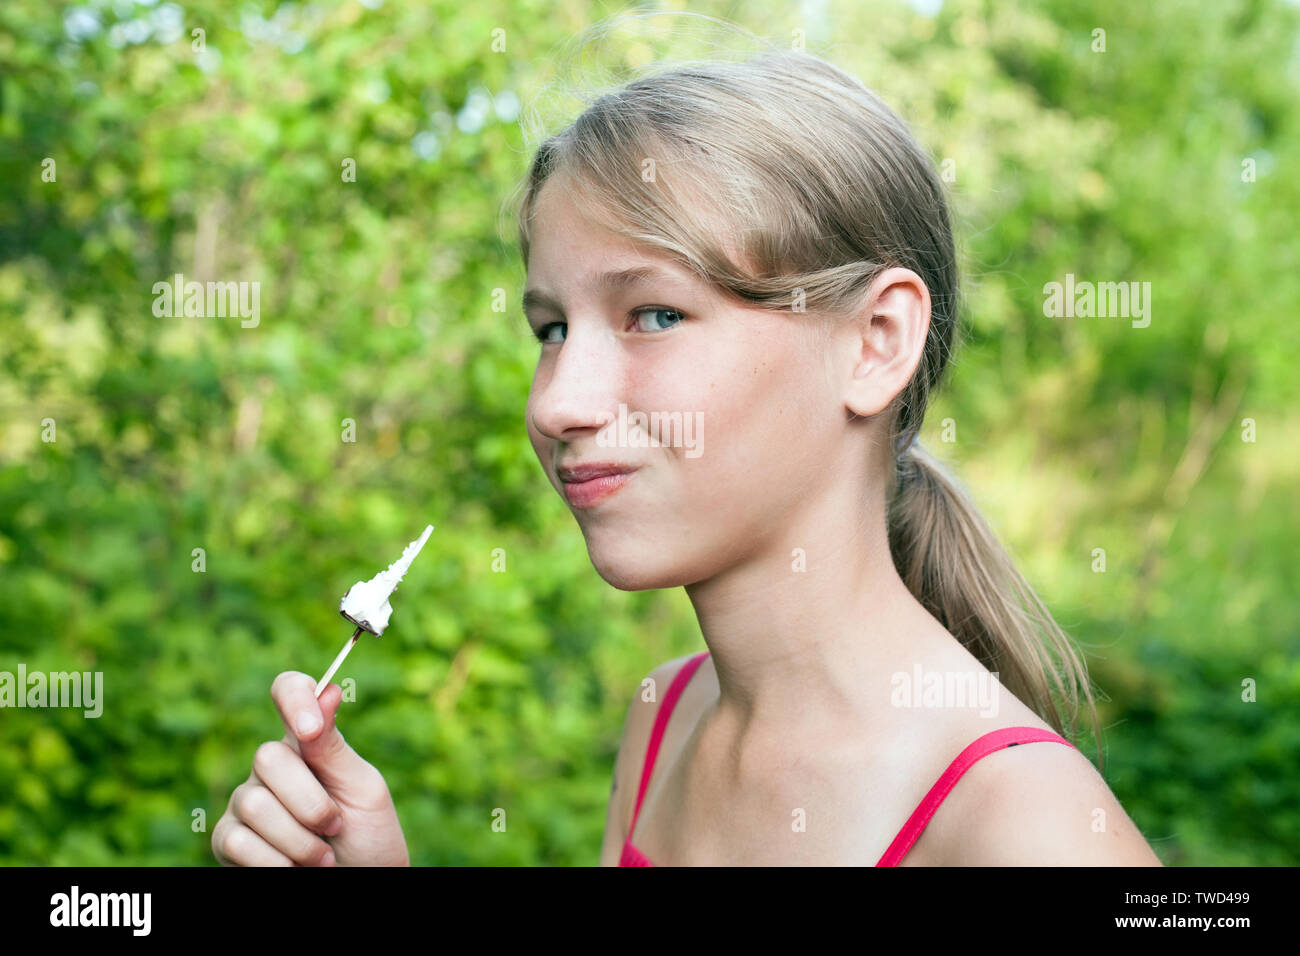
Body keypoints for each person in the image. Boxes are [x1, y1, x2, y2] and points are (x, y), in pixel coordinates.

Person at [212, 47, 1161, 867]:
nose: (558, 403)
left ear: (876, 339)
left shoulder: (1027, 827)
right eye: (551, 328)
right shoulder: (665, 719)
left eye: (655, 315)